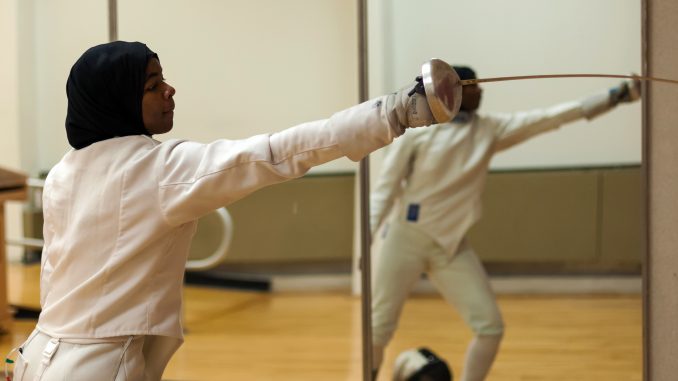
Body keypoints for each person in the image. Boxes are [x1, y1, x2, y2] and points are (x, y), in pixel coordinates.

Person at [8, 41, 446, 381]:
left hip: (40, 358)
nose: (169, 89)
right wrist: (396, 112)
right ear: (118, 100)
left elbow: (53, 274)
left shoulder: (65, 170)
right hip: (99, 368)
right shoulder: (157, 169)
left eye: (163, 78)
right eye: (151, 85)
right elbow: (277, 152)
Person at [370, 66, 640, 381]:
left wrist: (616, 96)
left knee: (490, 327)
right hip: (406, 239)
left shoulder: (489, 130)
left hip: (451, 245)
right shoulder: (418, 133)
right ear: (450, 92)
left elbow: (550, 118)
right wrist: (368, 238)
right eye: (472, 87)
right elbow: (384, 191)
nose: (481, 91)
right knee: (378, 328)